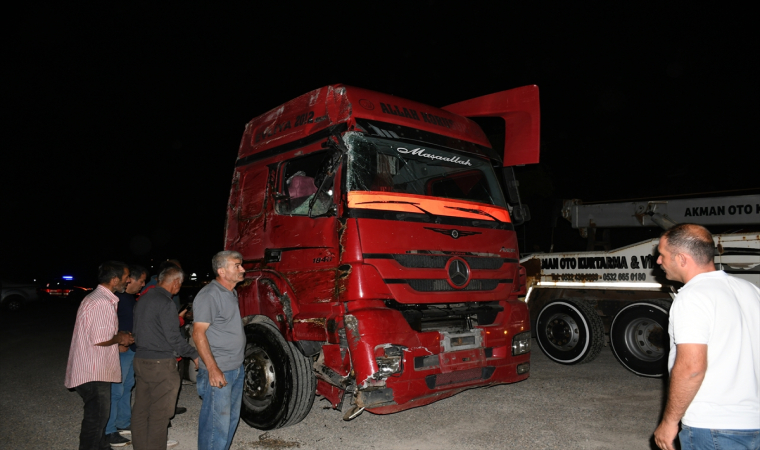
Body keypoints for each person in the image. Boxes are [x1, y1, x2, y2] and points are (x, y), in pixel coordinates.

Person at [653, 224, 760, 450]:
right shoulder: (750, 289)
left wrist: (669, 422)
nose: (659, 262)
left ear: (681, 258)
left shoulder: (692, 297)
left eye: (662, 255)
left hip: (714, 428)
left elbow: (691, 367)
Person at [65, 261, 134, 450]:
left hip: (91, 368)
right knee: (96, 420)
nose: (128, 280)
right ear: (114, 280)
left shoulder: (98, 298)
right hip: (93, 371)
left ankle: (103, 446)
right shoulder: (102, 302)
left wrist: (118, 339)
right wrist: (121, 338)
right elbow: (100, 338)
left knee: (99, 418)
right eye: (126, 276)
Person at [132, 265, 199, 450]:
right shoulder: (166, 302)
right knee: (159, 414)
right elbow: (174, 338)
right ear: (176, 282)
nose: (180, 287)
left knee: (141, 410)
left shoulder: (143, 298)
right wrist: (194, 354)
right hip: (160, 364)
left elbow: (137, 331)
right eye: (181, 283)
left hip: (140, 360)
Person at [193, 250, 246, 450]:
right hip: (220, 370)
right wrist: (213, 368)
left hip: (235, 368)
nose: (242, 269)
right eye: (237, 265)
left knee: (230, 420)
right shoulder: (210, 295)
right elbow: (198, 333)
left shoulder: (230, 292)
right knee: (216, 425)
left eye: (241, 264)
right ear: (222, 271)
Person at [104, 264, 147, 446]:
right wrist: (117, 343)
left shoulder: (128, 298)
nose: (142, 284)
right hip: (120, 350)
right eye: (141, 280)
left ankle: (123, 421)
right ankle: (109, 430)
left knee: (127, 386)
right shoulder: (115, 298)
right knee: (115, 390)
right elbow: (107, 326)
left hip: (131, 349)